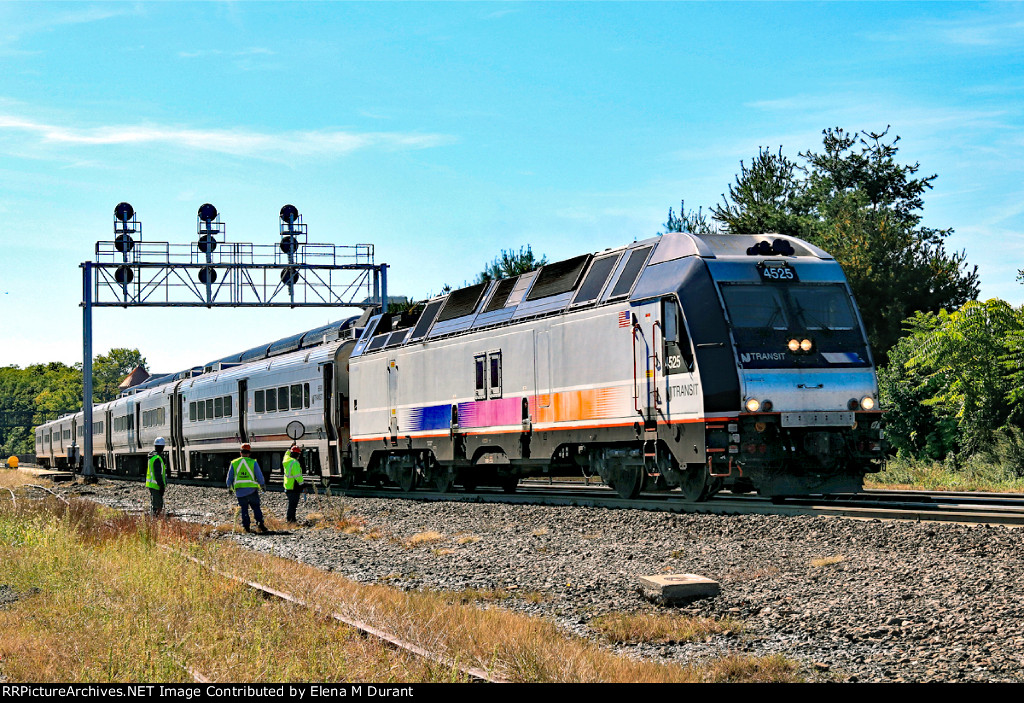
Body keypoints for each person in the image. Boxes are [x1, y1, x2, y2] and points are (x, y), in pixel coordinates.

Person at [227, 443, 267, 533]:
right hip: (252, 490)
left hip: (240, 491)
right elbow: (259, 475)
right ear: (249, 453)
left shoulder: (234, 463)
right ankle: (260, 524)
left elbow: (229, 477)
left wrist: (229, 487)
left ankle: (246, 527)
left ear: (240, 453)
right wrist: (262, 485)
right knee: (256, 507)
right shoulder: (253, 462)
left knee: (244, 509)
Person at [146, 437, 169, 516]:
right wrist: (161, 485)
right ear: (162, 447)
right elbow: (158, 474)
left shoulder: (152, 457)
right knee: (158, 506)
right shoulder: (157, 458)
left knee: (155, 505)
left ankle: (154, 520)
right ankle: (155, 522)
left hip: (152, 485)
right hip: (156, 485)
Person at [283, 445, 305, 525]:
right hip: (293, 486)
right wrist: (302, 484)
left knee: (291, 504)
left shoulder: (286, 460)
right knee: (293, 505)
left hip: (287, 485)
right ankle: (291, 520)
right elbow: (297, 476)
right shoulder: (295, 463)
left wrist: (289, 449)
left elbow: (286, 455)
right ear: (298, 455)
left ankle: (291, 520)